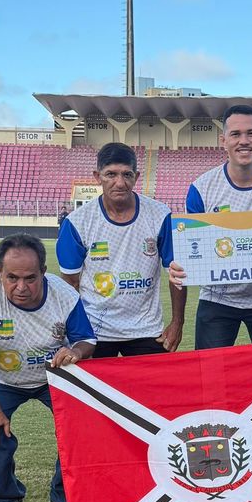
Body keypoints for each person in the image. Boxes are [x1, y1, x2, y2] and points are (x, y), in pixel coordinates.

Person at [0, 234, 96, 502]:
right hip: (3, 378)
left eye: (30, 278)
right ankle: (7, 500)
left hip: (54, 376)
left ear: (43, 272)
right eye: (12, 277)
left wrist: (75, 352)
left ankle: (62, 498)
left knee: (82, 430)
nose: (21, 287)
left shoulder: (64, 294)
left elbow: (86, 339)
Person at [168, 104, 252, 349]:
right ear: (223, 141)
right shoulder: (202, 187)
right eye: (235, 134)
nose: (244, 141)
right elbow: (193, 248)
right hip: (217, 298)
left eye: (251, 133)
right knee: (210, 371)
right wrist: (182, 266)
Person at [56, 143, 184, 356]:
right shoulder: (77, 222)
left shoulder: (160, 215)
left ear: (137, 176)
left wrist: (177, 322)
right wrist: (76, 333)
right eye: (111, 174)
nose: (120, 183)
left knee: (155, 379)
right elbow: (70, 283)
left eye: (127, 174)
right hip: (95, 331)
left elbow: (176, 272)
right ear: (97, 177)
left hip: (146, 329)